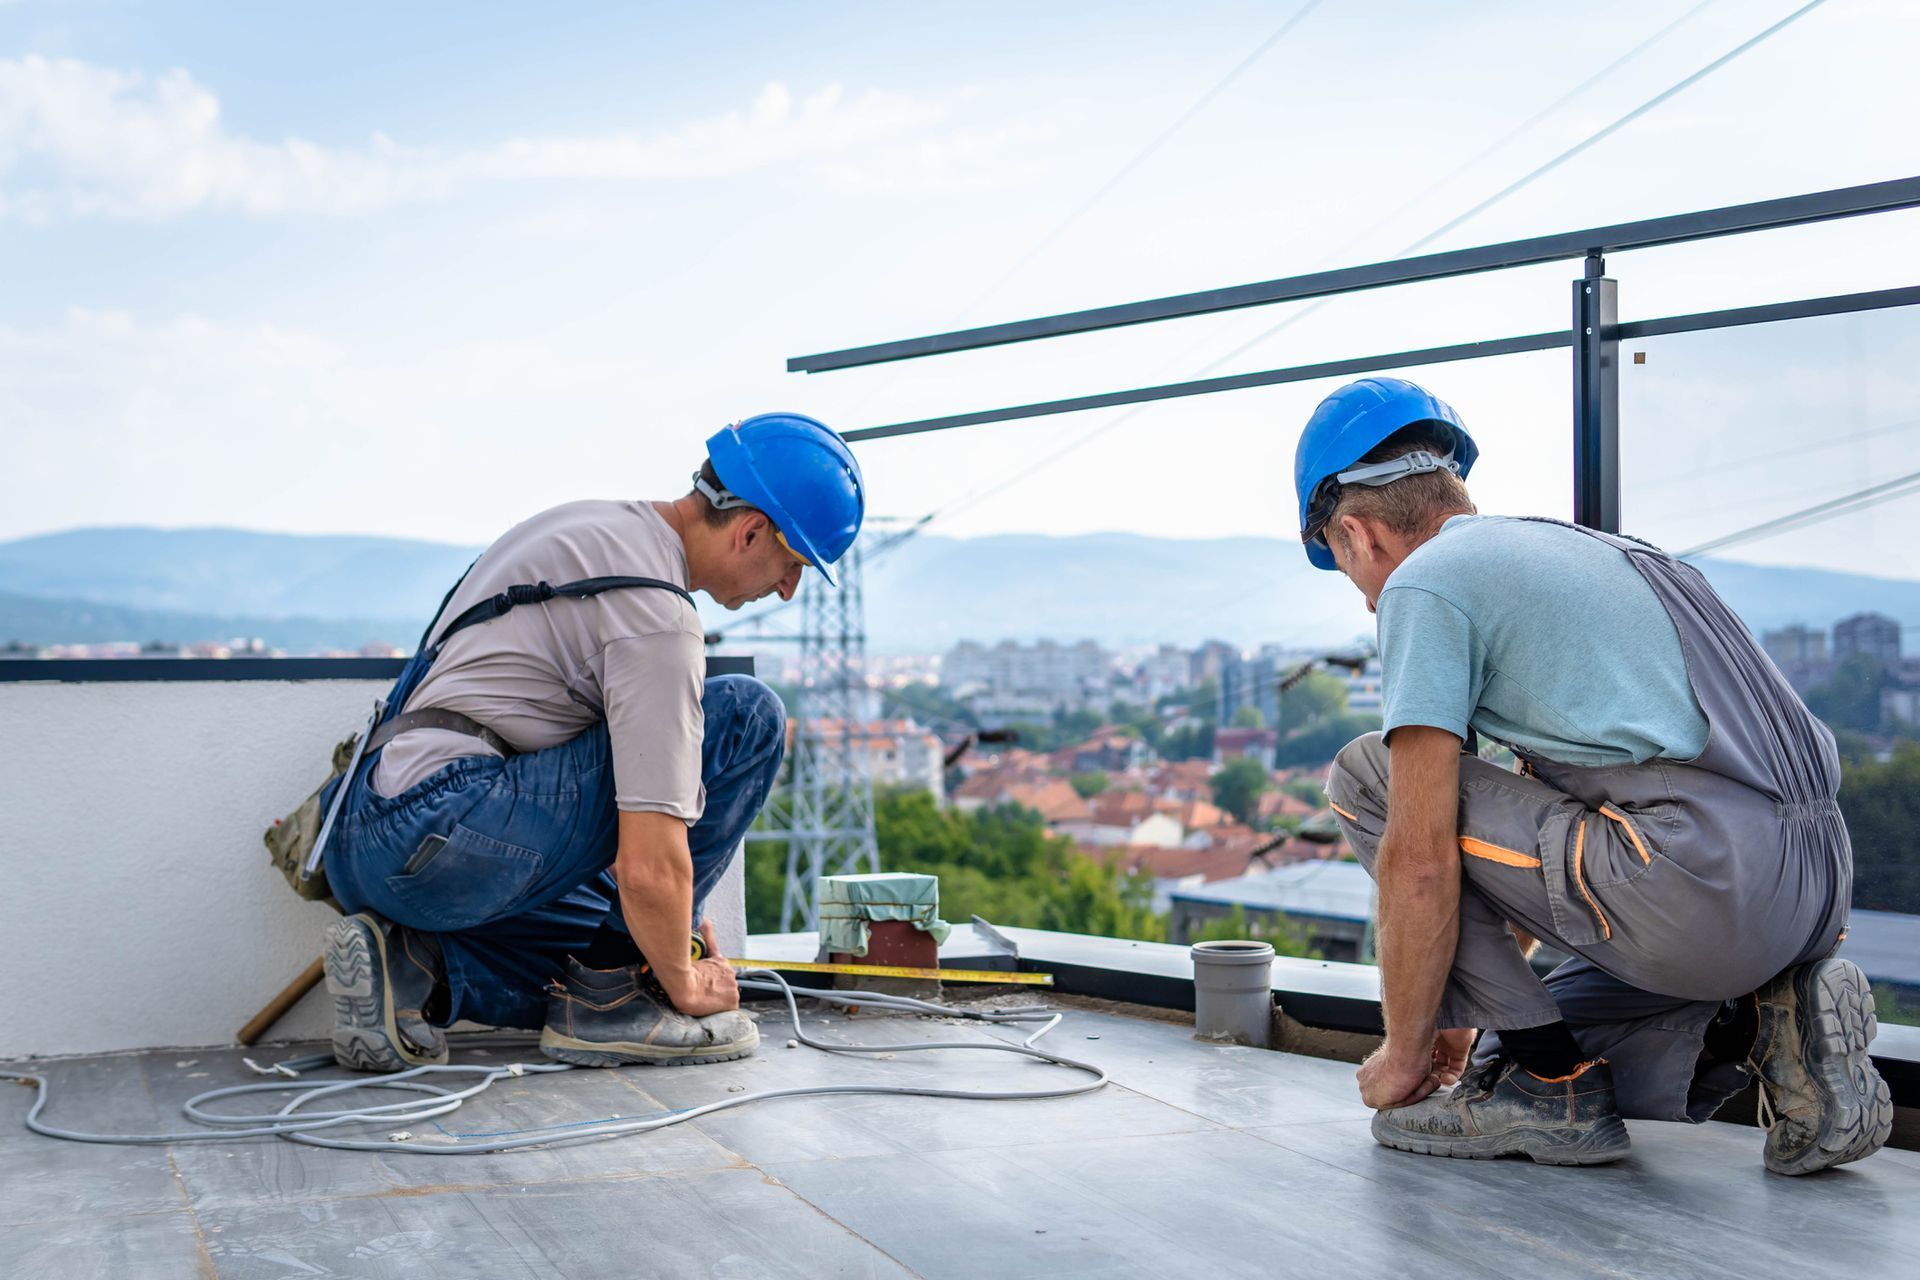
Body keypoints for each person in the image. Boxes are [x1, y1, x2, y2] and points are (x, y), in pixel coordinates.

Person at [1297, 376, 1891, 1174]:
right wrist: (1465, 1004)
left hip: (1697, 883)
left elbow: (1423, 856)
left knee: (1368, 778)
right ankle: (1765, 1020)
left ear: (1358, 537)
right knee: (1513, 1053)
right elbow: (1523, 849)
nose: (1368, 605)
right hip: (1810, 892)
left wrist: (1405, 1054)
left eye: (1347, 572)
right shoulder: (1603, 552)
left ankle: (1549, 1089)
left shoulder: (1426, 581)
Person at [318, 412, 864, 1073]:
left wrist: (670, 932)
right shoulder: (656, 619)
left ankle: (419, 967)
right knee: (746, 717)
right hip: (441, 827)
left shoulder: (590, 526)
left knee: (598, 940)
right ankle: (615, 1001)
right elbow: (648, 865)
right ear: (750, 531)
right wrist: (681, 978)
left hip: (365, 839)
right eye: (794, 563)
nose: (786, 587)